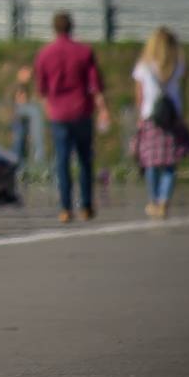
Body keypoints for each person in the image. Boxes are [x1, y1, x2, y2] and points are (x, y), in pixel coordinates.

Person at [34, 11, 111, 223]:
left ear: (54, 28)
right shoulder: (84, 52)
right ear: (71, 27)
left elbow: (41, 88)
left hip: (58, 113)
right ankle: (86, 205)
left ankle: (65, 208)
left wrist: (48, 109)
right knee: (85, 159)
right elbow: (95, 85)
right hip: (81, 110)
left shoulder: (44, 54)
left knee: (62, 160)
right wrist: (103, 108)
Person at [131, 27, 189, 218]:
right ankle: (164, 201)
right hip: (172, 118)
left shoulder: (144, 66)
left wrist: (139, 115)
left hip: (151, 117)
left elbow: (139, 94)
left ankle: (153, 200)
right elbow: (182, 90)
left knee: (150, 161)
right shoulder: (178, 65)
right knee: (170, 162)